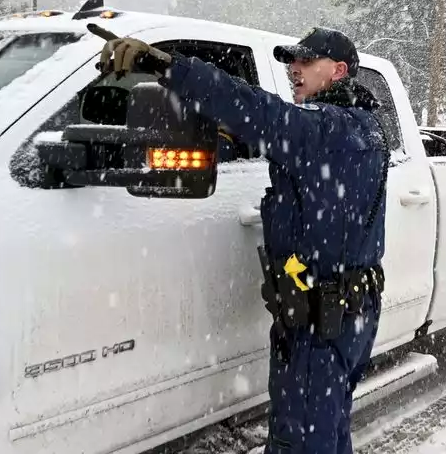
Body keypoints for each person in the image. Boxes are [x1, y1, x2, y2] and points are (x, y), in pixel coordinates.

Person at [95, 26, 388, 454]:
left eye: (306, 62)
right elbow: (268, 136)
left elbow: (260, 112)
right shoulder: (358, 129)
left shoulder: (328, 130)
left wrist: (169, 67)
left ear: (339, 71)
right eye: (291, 61)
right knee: (325, 432)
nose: (294, 69)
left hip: (320, 327)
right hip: (344, 315)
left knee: (301, 441)